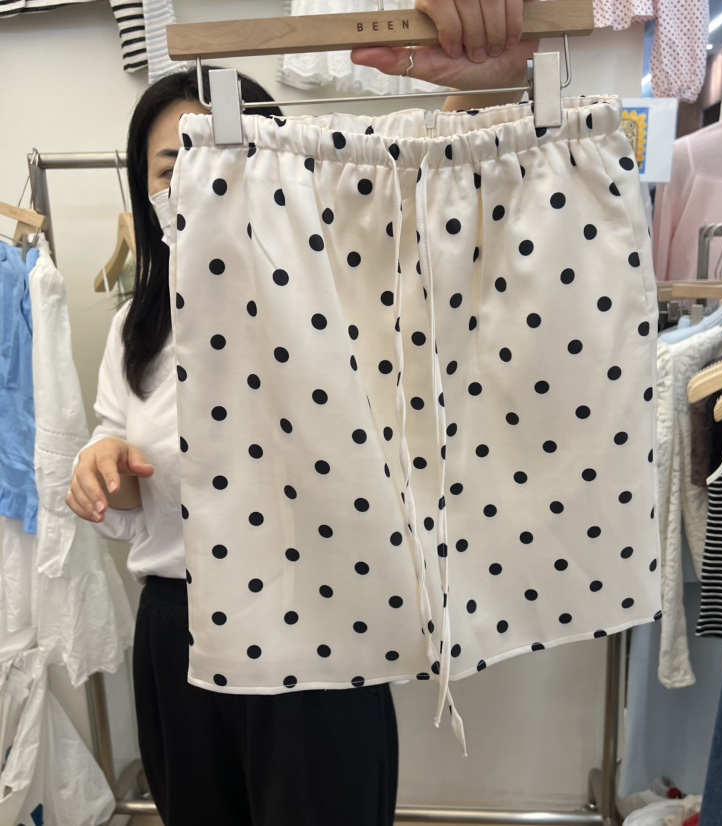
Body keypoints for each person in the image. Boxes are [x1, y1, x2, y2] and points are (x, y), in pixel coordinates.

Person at [66, 3, 537, 823]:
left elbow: (437, 206)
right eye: (171, 166)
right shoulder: (138, 329)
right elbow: (131, 467)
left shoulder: (341, 289)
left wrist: (491, 81)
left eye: (224, 156)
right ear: (143, 189)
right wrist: (103, 465)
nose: (196, 184)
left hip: (319, 620)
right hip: (176, 629)